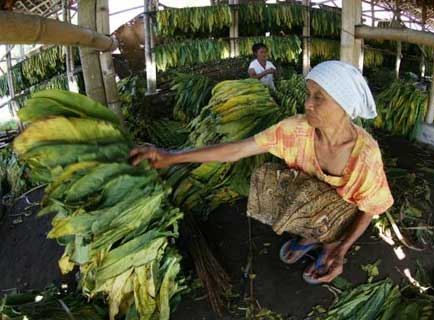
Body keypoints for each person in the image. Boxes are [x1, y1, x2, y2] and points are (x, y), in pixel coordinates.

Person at [130, 61, 394, 284]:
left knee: (329, 220)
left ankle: (328, 246)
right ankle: (309, 236)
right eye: (308, 94)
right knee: (270, 180)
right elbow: (237, 150)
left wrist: (343, 249)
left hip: (342, 211)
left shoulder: (365, 154)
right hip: (312, 201)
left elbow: (370, 208)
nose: (307, 104)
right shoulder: (296, 130)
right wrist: (172, 156)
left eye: (319, 98)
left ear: (344, 106)